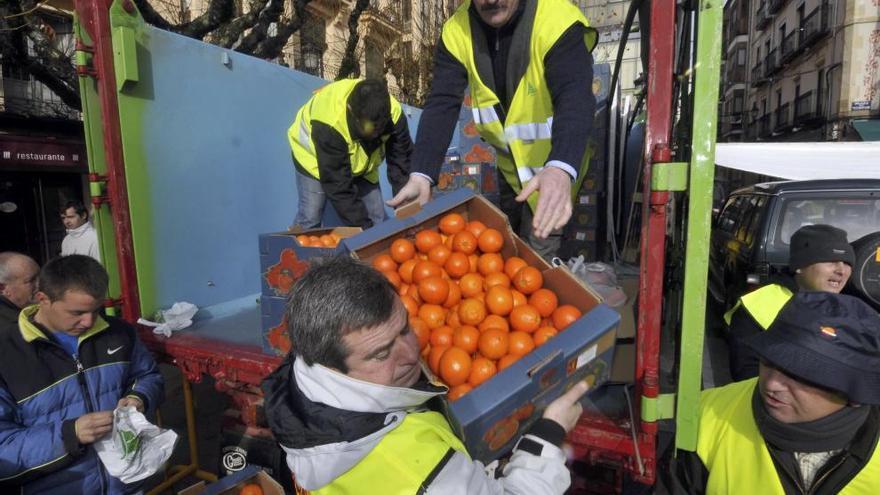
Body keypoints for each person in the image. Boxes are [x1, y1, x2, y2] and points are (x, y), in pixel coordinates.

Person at [262, 256, 590, 493]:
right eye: (380, 354)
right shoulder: (414, 470)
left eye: (405, 328)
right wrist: (547, 434)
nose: (410, 354)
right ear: (333, 365)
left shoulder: (301, 384)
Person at [388, 0, 597, 259]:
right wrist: (421, 173)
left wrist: (562, 166)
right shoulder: (457, 31)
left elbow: (575, 97)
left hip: (553, 171)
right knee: (507, 249)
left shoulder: (556, 19)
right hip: (510, 169)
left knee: (539, 258)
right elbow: (442, 102)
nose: (491, 0)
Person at [673, 291, 880, 494]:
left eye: (800, 375)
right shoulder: (707, 417)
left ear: (856, 395)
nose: (772, 384)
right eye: (768, 361)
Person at [0, 255, 164, 493]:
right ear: (42, 299)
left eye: (95, 310)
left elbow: (148, 375)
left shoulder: (120, 333)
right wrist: (69, 435)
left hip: (128, 484)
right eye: (77, 312)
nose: (88, 321)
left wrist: (139, 397)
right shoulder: (7, 355)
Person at [724, 224, 854, 380]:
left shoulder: (851, 309)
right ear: (799, 266)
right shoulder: (760, 303)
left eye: (847, 263)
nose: (841, 270)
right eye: (831, 261)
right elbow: (746, 373)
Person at [288, 78, 413, 229]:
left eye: (380, 129)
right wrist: (364, 231)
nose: (375, 134)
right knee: (311, 215)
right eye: (368, 128)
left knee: (377, 217)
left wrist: (405, 208)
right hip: (313, 159)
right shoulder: (330, 122)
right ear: (350, 110)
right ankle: (290, 250)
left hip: (362, 164)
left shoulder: (393, 114)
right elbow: (339, 186)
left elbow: (401, 163)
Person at [0, 252, 39, 326]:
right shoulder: (15, 327)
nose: (40, 284)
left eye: (40, 276)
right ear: (3, 289)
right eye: (31, 280)